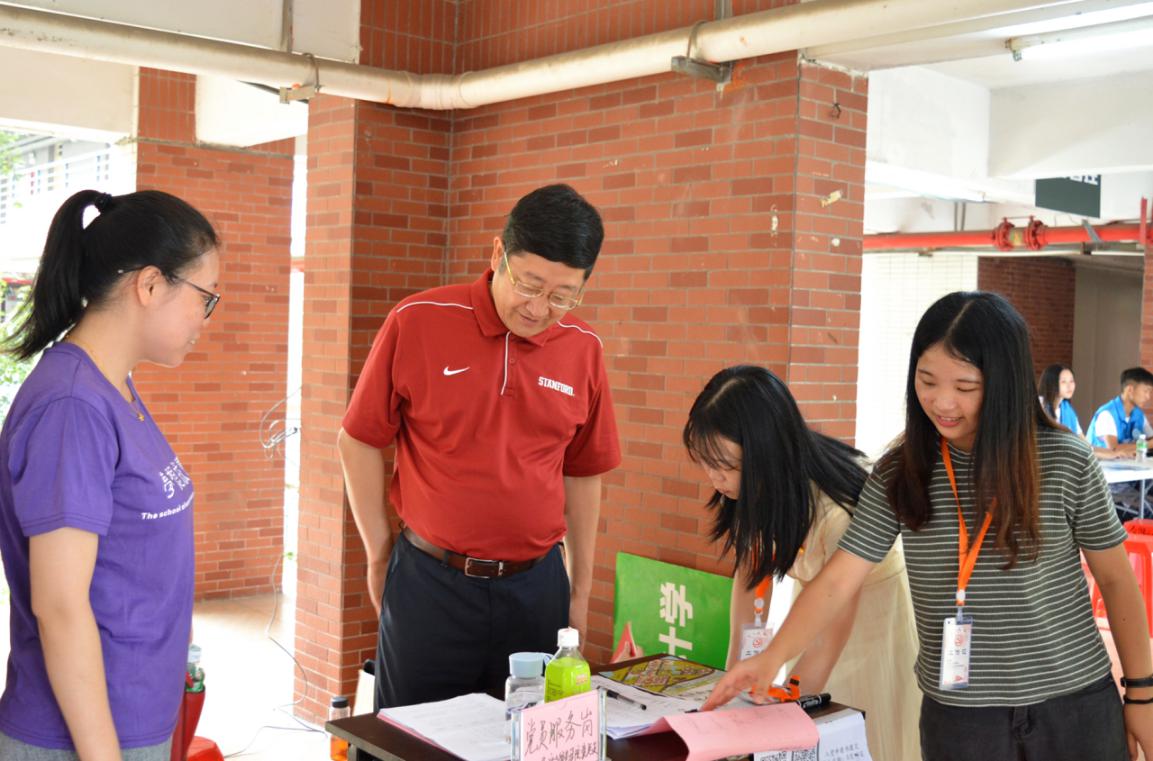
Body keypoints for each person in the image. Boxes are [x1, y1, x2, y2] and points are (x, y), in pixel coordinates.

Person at [703, 292, 1153, 761]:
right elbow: (837, 580)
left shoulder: (1066, 461)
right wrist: (771, 659)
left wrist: (1142, 694)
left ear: (1005, 384)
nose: (942, 402)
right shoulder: (902, 471)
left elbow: (1116, 581)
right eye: (927, 380)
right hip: (961, 720)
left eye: (965, 386)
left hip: (1074, 706)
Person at [338, 183, 621, 710]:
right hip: (430, 583)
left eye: (562, 296)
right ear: (497, 255)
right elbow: (357, 440)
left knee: (531, 737)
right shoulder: (418, 320)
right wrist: (378, 553)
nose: (539, 308)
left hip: (537, 589)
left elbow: (583, 473)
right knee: (413, 738)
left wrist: (579, 593)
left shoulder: (583, 349)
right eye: (529, 284)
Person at [0, 190, 220, 760]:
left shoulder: (112, 387)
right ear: (150, 285)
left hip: (136, 716)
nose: (205, 318)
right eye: (205, 297)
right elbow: (60, 606)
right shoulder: (72, 407)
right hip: (81, 739)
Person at [683, 365, 920, 761]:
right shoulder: (754, 489)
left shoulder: (836, 509)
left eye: (725, 466)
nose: (714, 479)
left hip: (875, 627)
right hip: (812, 615)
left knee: (853, 733)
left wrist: (782, 721)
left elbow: (831, 637)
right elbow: (751, 580)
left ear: (766, 453)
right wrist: (736, 671)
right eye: (706, 463)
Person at [1087, 366, 1153, 458]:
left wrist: (1149, 443)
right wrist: (1147, 444)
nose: (1148, 397)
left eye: (1150, 392)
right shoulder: (1107, 414)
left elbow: (1150, 439)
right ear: (1130, 390)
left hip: (1128, 465)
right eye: (1146, 391)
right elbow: (1114, 450)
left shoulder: (1139, 414)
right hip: (1100, 465)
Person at [1038, 363, 1082, 436]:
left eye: (1071, 381)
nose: (1069, 386)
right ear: (1051, 383)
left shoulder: (1068, 410)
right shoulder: (1039, 403)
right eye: (1063, 382)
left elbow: (1081, 437)